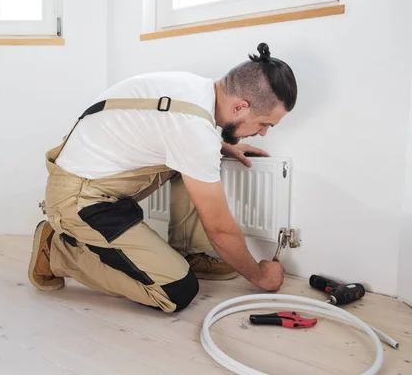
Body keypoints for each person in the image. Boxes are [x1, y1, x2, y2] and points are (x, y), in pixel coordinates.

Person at [28, 42, 297, 313]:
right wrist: (260, 276)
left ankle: (188, 252)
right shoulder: (193, 130)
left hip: (90, 179)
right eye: (265, 123)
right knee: (177, 292)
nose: (263, 133)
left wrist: (223, 145)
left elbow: (174, 131)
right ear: (240, 107)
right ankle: (57, 251)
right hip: (80, 199)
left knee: (196, 162)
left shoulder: (195, 90)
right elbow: (220, 230)